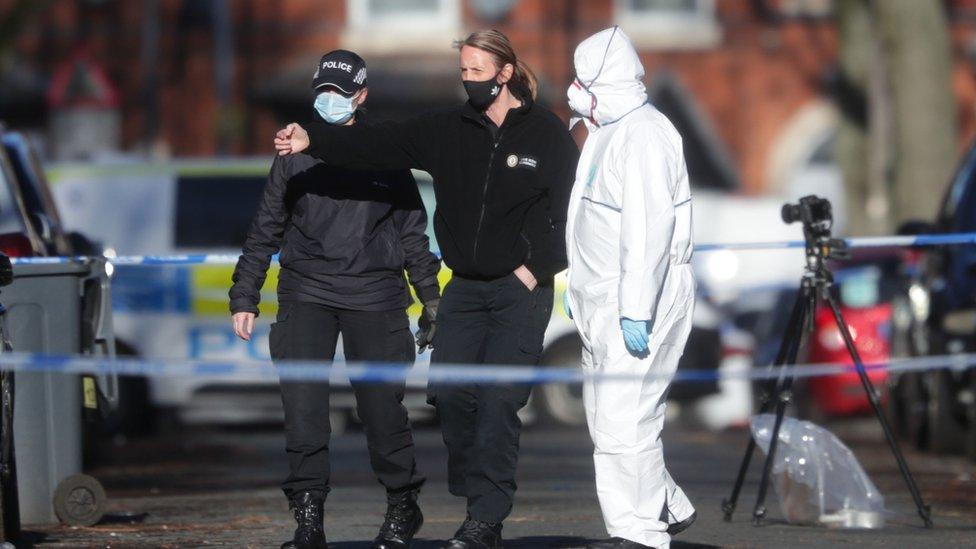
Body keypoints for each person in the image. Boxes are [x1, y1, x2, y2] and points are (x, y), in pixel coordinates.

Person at [273, 30, 578, 549]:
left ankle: (485, 518)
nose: (468, 81)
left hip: (519, 291)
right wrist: (312, 140)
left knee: (500, 403)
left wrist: (538, 268)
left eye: (476, 72)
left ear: (504, 73)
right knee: (453, 398)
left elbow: (570, 214)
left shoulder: (544, 135)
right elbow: (377, 145)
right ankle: (475, 487)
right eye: (463, 72)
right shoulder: (447, 129)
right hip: (463, 289)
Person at [230, 49, 440, 549]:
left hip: (376, 295)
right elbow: (266, 228)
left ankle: (402, 505)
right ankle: (307, 518)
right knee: (302, 409)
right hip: (307, 292)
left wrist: (432, 300)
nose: (328, 102)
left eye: (340, 94)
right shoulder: (293, 152)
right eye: (321, 92)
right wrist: (245, 295)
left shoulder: (384, 152)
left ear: (361, 96)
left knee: (381, 411)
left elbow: (413, 234)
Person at [563, 27, 697, 549]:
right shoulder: (609, 132)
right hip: (604, 301)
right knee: (609, 418)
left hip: (638, 298)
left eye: (581, 80)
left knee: (626, 419)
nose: (573, 91)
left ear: (605, 82)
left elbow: (648, 231)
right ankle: (664, 502)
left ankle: (638, 532)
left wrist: (636, 308)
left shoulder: (644, 135)